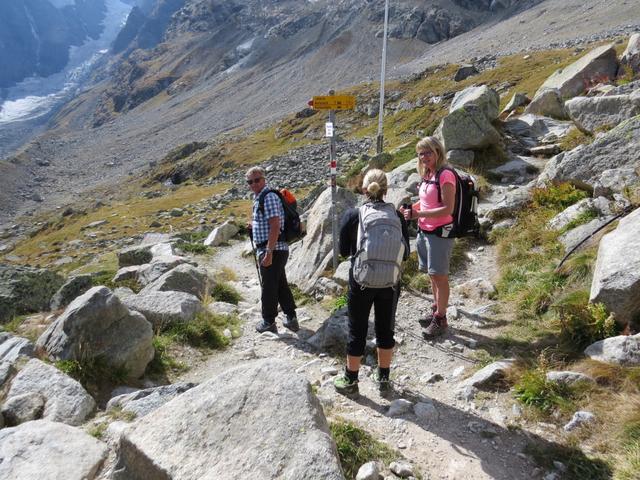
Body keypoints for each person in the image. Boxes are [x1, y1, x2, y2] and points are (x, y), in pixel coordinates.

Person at [333, 169, 410, 396]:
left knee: (357, 330)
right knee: (386, 329)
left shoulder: (353, 214)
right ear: (386, 190)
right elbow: (405, 253)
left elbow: (345, 251)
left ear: (364, 189)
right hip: (390, 282)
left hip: (361, 281)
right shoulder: (396, 216)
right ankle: (383, 377)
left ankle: (350, 379)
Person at [400, 136, 456, 338]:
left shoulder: (445, 175)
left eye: (428, 152)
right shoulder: (428, 174)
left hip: (440, 233)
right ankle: (436, 309)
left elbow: (448, 208)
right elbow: (426, 203)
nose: (424, 157)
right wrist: (409, 210)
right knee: (433, 274)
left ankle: (441, 318)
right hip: (426, 231)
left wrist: (418, 215)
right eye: (421, 153)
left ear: (437, 152)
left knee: (440, 276)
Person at [246, 166, 298, 334]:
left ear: (264, 179)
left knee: (268, 285)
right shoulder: (259, 198)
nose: (253, 184)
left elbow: (275, 225)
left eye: (257, 180)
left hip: (273, 248)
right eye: (250, 181)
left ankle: (268, 321)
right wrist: (253, 226)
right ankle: (291, 317)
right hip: (275, 248)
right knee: (280, 283)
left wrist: (268, 251)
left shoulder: (267, 197)